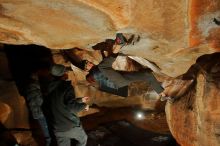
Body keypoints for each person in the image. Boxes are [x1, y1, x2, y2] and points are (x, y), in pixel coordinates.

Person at [43, 64, 89, 146]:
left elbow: (61, 102)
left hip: (57, 128)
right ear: (63, 75)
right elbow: (72, 107)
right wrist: (84, 105)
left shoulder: (49, 89)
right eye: (66, 72)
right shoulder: (66, 87)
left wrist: (80, 100)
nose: (67, 73)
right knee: (83, 139)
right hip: (69, 125)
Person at [84, 57, 164, 97]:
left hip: (120, 80)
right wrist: (114, 52)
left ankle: (161, 93)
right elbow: (105, 65)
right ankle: (162, 93)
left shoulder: (96, 72)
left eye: (89, 62)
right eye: (88, 65)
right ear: (87, 70)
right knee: (147, 75)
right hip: (120, 80)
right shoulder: (97, 71)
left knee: (146, 74)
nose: (90, 63)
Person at [25, 73, 51, 146]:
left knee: (44, 127)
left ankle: (49, 141)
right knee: (46, 128)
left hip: (36, 112)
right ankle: (49, 142)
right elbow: (39, 101)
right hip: (40, 112)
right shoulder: (34, 89)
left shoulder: (29, 88)